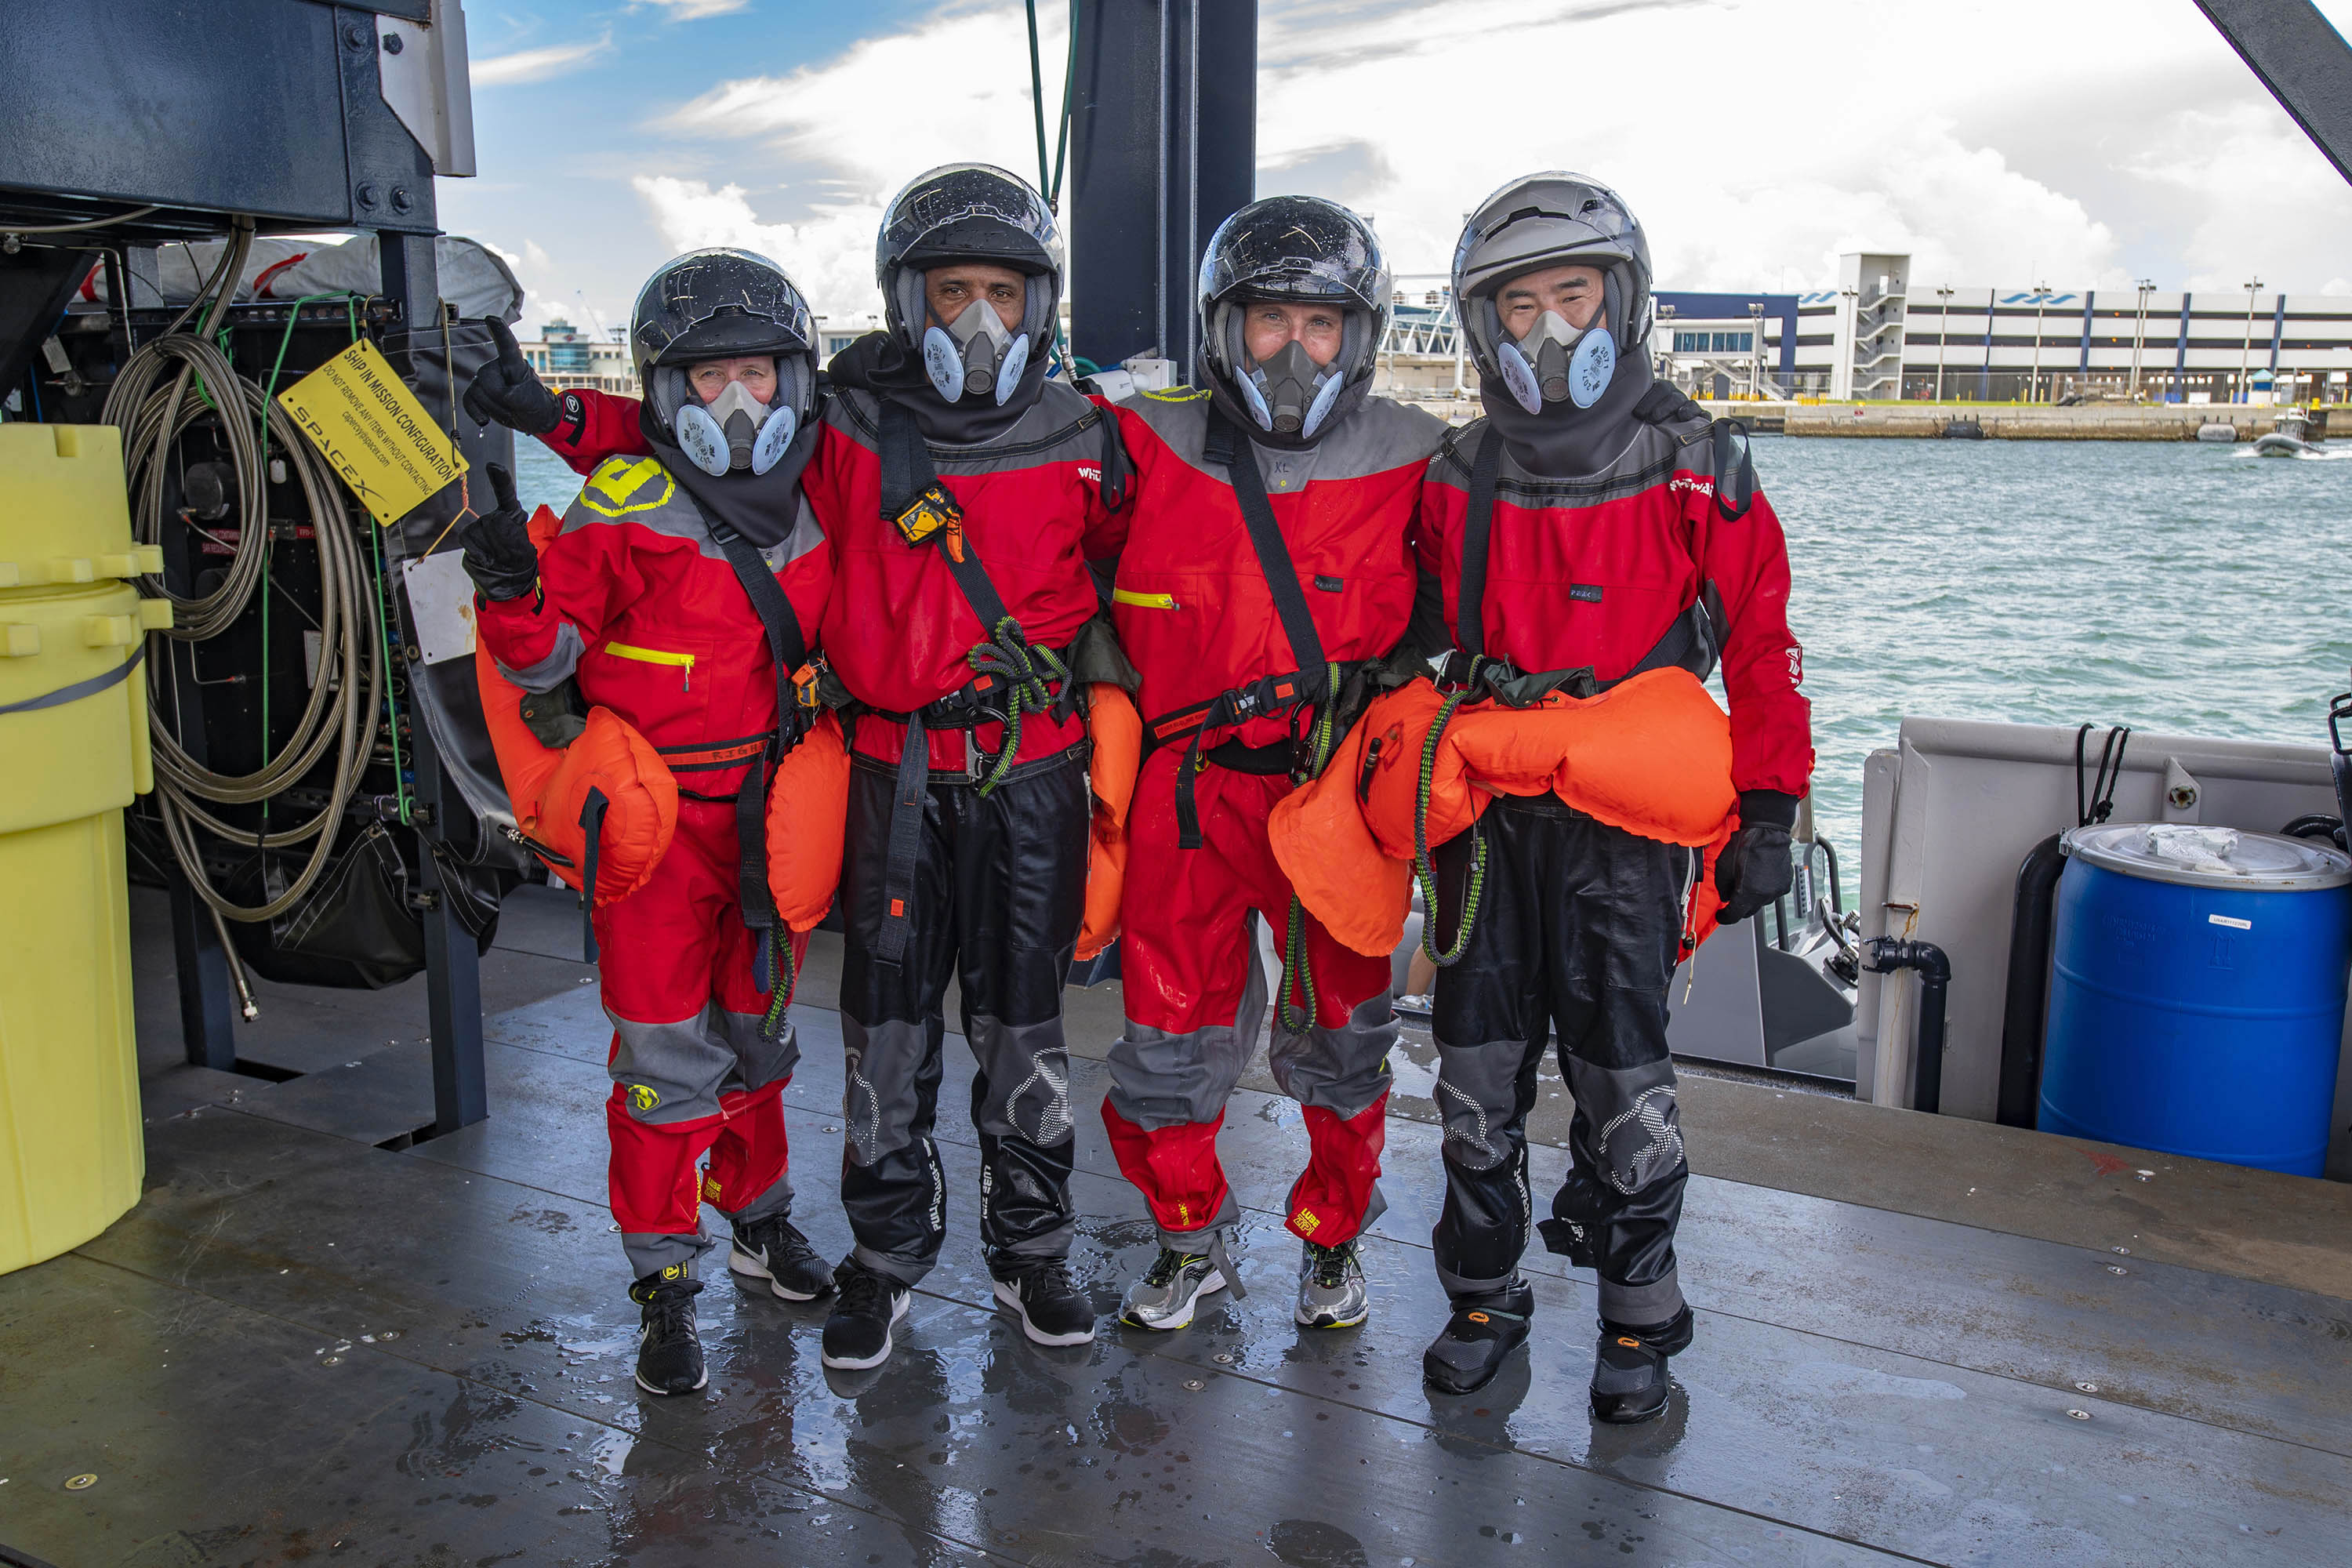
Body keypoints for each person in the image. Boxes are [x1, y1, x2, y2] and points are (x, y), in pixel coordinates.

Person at [466, 165, 1130, 1371]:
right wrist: (555, 418)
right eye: (951, 292)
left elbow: (1175, 560)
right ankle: (886, 1258)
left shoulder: (1093, 437)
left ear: (1039, 301)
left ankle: (1034, 1251)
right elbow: (684, 440)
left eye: (1000, 292)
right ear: (906, 301)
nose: (977, 319)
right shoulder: (850, 423)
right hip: (889, 774)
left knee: (1025, 1031)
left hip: (1029, 774)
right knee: (884, 1035)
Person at [1410, 174, 1811, 1421]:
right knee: (1473, 1076)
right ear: (1483, 324)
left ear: (1622, 301)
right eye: (1519, 306)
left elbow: (1764, 648)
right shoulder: (1455, 473)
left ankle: (1640, 1319)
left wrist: (1771, 807)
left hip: (1628, 836)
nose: (1549, 328)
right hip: (1485, 827)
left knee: (1624, 1080)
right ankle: (1483, 1297)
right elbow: (1409, 643)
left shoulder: (1698, 465)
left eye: (1572, 296)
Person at [462, 249, 836, 1397]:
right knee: (664, 1057)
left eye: (758, 373)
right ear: (671, 390)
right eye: (708, 376)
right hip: (661, 828)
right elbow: (547, 659)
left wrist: (562, 416)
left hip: (774, 818)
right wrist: (512, 593)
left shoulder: (829, 481)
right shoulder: (624, 500)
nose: (737, 399)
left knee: (761, 1037)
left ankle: (758, 1218)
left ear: (795, 380)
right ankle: (663, 1279)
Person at [1091, 197, 1445, 1333]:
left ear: (1361, 334)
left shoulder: (1422, 456)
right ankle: (1184, 1236)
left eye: (1321, 323)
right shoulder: (1139, 441)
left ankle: (1333, 1239)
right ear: (1223, 325)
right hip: (1184, 798)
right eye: (1269, 320)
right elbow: (1021, 500)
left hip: (1331, 800)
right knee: (1168, 1038)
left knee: (1346, 1036)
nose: (1296, 348)